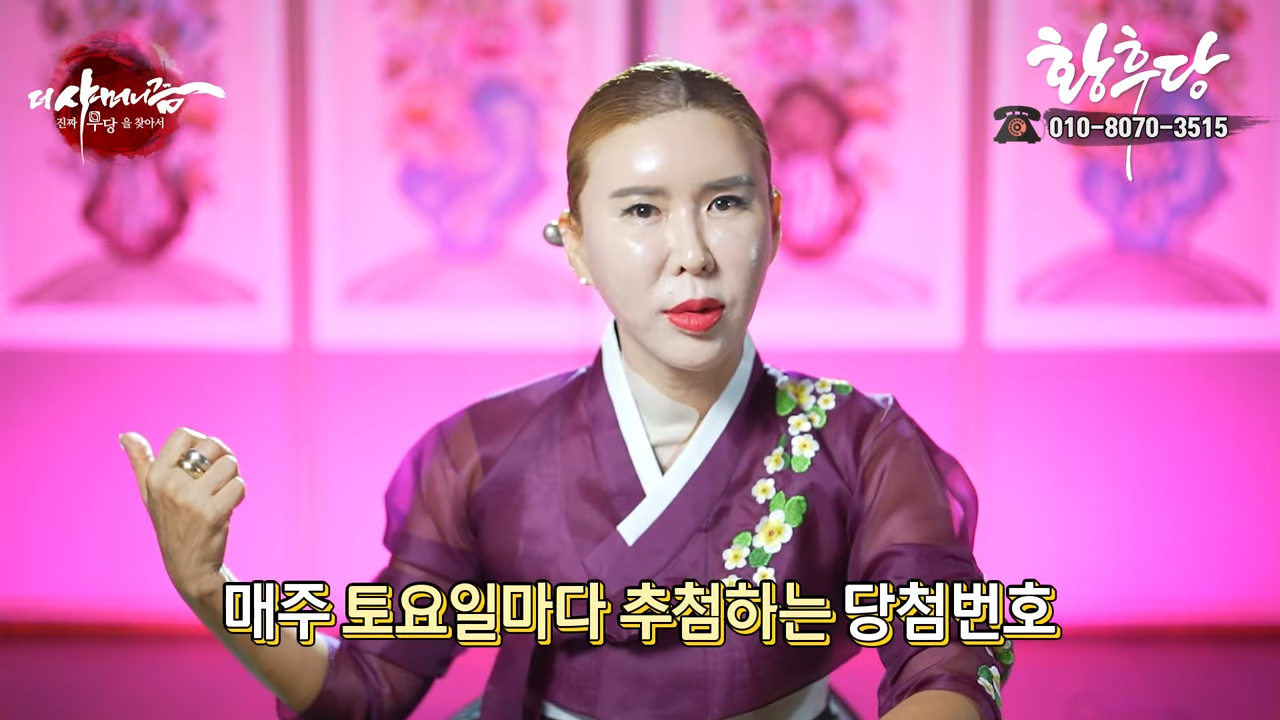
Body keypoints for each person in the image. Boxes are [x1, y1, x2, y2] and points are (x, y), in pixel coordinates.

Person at [120, 60, 1011, 720]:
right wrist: (210, 586)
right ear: (576, 243)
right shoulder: (481, 452)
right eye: (642, 210)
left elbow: (947, 657)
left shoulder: (863, 443)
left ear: (773, 224)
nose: (692, 253)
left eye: (726, 203)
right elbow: (365, 686)